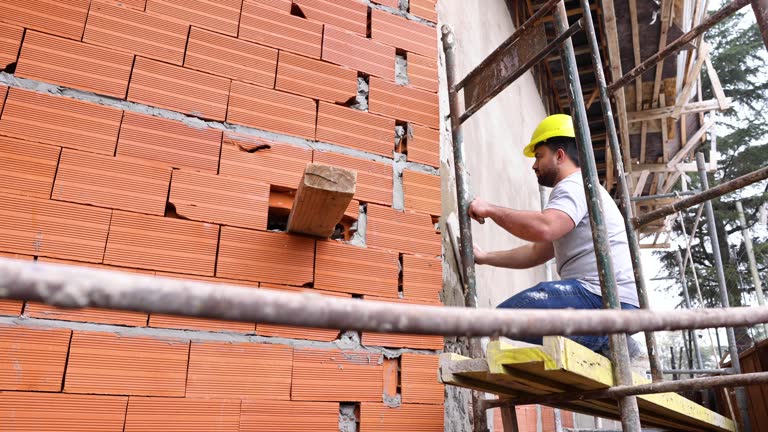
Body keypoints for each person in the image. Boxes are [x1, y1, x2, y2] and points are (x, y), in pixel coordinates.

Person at [468, 114, 642, 358]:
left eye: (539, 156)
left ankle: (608, 340)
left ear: (559, 156)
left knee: (507, 316)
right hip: (613, 303)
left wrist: (490, 209)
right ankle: (609, 342)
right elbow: (536, 250)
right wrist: (486, 257)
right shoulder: (585, 190)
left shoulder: (574, 185)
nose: (534, 165)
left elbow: (545, 227)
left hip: (601, 299)